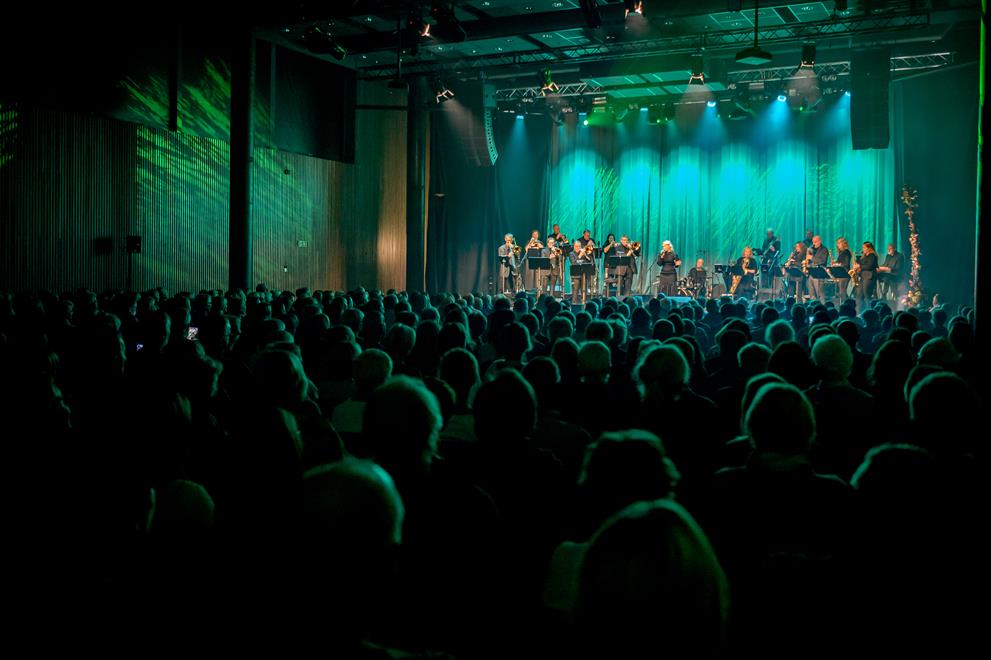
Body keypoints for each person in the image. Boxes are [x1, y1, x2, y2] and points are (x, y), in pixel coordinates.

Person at [854, 241, 879, 311]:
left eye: (864, 247)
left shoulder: (872, 256)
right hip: (863, 277)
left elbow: (869, 266)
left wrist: (859, 266)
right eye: (863, 247)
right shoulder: (865, 256)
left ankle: (869, 311)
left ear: (869, 248)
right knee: (859, 294)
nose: (863, 249)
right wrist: (856, 264)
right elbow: (861, 263)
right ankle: (859, 311)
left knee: (867, 295)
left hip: (869, 277)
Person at [806, 235, 830, 303]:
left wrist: (812, 258)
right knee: (812, 295)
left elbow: (822, 261)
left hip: (819, 275)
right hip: (810, 274)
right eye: (813, 242)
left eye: (815, 242)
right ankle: (813, 308)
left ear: (820, 241)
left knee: (820, 295)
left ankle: (822, 309)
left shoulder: (824, 249)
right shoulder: (811, 249)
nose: (814, 243)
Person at [570, 239, 593, 304]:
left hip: (584, 275)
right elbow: (573, 263)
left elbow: (590, 261)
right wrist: (580, 255)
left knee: (584, 290)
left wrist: (585, 255)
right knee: (575, 291)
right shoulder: (571, 254)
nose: (577, 248)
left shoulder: (584, 253)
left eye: (579, 246)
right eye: (576, 246)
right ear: (574, 246)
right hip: (575, 275)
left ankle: (584, 303)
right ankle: (574, 303)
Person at [832, 237, 853, 304]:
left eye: (838, 243)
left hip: (845, 274)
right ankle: (846, 303)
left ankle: (845, 305)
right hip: (841, 274)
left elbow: (845, 264)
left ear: (843, 244)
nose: (837, 245)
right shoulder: (842, 253)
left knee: (842, 291)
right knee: (842, 291)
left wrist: (837, 264)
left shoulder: (846, 252)